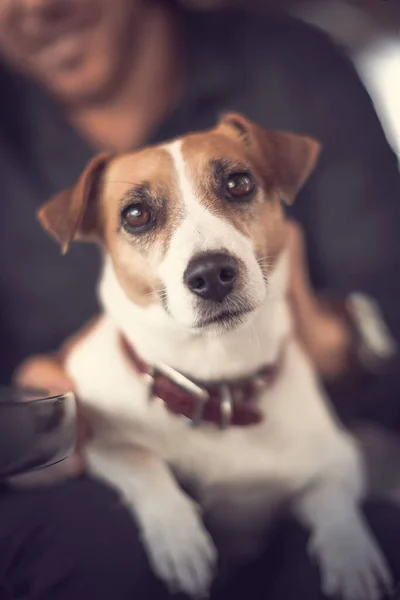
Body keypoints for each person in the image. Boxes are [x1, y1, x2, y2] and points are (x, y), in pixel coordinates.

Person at [1, 0, 400, 598]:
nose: (38, 4)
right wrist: (26, 415)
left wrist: (337, 338)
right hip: (88, 472)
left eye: (236, 187)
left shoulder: (291, 64)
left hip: (301, 403)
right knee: (90, 551)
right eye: (139, 216)